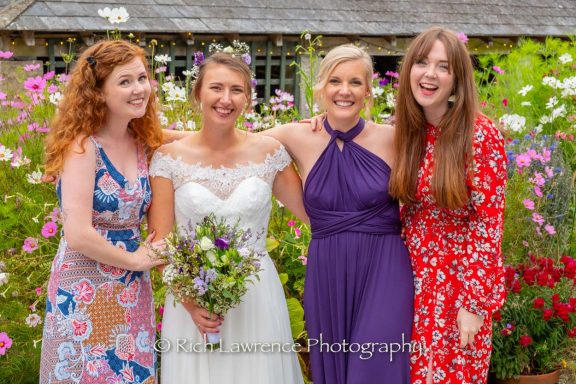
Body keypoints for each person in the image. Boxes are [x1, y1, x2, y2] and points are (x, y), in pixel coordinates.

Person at [147, 52, 307, 384]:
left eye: (236, 90)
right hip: (193, 297)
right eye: (216, 87)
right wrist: (191, 303)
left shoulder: (269, 154)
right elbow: (159, 243)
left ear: (248, 98)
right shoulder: (168, 160)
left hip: (256, 294)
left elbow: (314, 215)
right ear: (198, 94)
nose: (225, 99)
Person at [264, 44, 414, 383]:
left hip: (385, 268)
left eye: (355, 82)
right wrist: (149, 136)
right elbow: (231, 145)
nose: (344, 91)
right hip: (328, 270)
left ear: (368, 92)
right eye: (335, 81)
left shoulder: (395, 138)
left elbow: (449, 145)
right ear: (321, 88)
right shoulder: (296, 135)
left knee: (373, 367)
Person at [39, 40, 166, 383]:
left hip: (131, 289)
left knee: (134, 373)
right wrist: (138, 261)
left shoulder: (143, 140)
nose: (139, 89)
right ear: (99, 92)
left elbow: (204, 140)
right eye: (125, 82)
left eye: (141, 78)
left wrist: (283, 135)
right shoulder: (82, 148)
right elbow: (78, 234)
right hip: (84, 284)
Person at [389, 27, 507, 384]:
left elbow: (489, 225)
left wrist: (473, 305)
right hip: (408, 280)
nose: (429, 74)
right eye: (422, 62)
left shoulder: (479, 135)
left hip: (457, 284)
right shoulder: (407, 132)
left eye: (443, 67)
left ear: (457, 79)